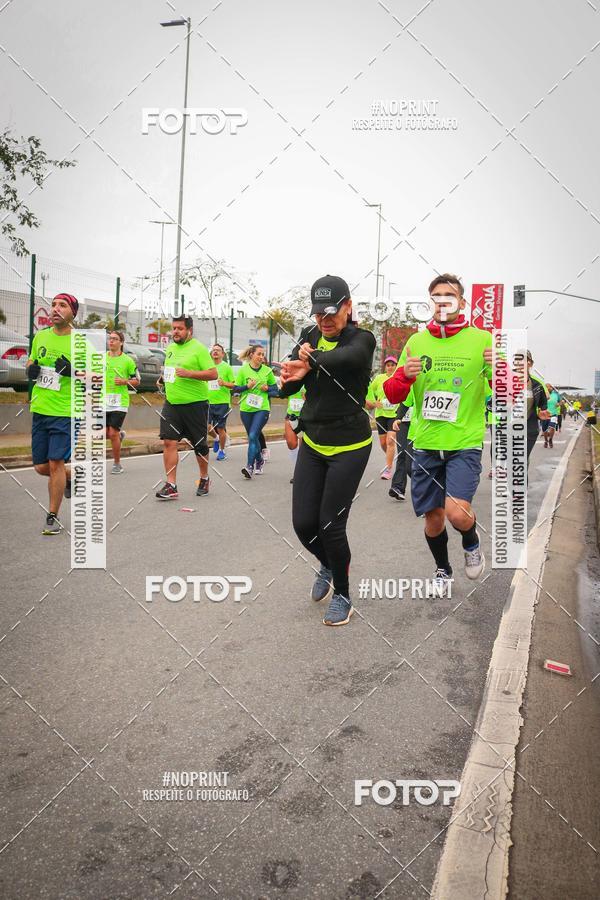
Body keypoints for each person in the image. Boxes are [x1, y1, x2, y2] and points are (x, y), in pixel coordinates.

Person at [383, 273, 491, 597]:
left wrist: (500, 370)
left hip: (464, 442)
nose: (443, 301)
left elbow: (506, 393)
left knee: (457, 513)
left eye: (450, 295)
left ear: (462, 302)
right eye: (437, 296)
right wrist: (403, 375)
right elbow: (393, 395)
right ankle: (443, 569)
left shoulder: (482, 340)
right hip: (426, 444)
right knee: (433, 519)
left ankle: (471, 541)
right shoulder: (417, 342)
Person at [280, 274, 376, 626]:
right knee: (304, 524)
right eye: (319, 314)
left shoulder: (362, 339)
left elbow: (348, 359)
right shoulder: (309, 337)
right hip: (314, 441)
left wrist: (310, 360)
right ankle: (328, 563)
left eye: (332, 312)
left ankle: (344, 594)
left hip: (350, 445)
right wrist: (288, 376)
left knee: (331, 525)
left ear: (349, 307)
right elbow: (292, 387)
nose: (325, 320)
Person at [26, 293, 79, 534]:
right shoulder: (41, 336)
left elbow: (95, 378)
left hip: (65, 411)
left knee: (55, 462)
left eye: (63, 305)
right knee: (40, 466)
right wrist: (31, 369)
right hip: (40, 408)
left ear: (72, 313)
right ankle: (73, 476)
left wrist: (73, 371)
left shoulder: (81, 343)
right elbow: (30, 362)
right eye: (54, 305)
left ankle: (53, 515)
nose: (56, 309)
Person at [155, 315, 217, 500]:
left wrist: (190, 373)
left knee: (199, 445)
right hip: (172, 404)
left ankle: (204, 478)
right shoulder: (171, 348)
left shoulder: (198, 349)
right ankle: (171, 485)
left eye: (179, 328)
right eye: (173, 328)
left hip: (195, 405)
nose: (175, 331)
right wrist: (164, 379)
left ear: (189, 330)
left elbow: (213, 374)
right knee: (169, 441)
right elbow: (171, 370)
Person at [233, 345, 278, 479]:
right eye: (259, 354)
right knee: (253, 438)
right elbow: (235, 389)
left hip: (262, 408)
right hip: (246, 409)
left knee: (253, 436)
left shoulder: (267, 371)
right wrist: (247, 387)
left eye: (263, 355)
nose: (261, 357)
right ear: (251, 355)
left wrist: (267, 389)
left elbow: (276, 391)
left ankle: (249, 466)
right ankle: (259, 460)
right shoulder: (243, 370)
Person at [104, 331, 140, 474]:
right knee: (104, 434)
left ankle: (117, 464)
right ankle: (119, 436)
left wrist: (125, 381)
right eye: (110, 339)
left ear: (121, 342)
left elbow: (137, 381)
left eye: (115, 339)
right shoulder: (101, 358)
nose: (111, 341)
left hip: (119, 402)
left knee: (112, 433)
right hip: (102, 400)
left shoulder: (128, 361)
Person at [366, 356, 399, 479]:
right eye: (388, 365)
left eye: (393, 365)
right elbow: (370, 390)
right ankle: (389, 457)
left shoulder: (398, 378)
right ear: (385, 367)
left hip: (394, 414)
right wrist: (374, 402)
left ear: (396, 366)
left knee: (390, 441)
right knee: (383, 443)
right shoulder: (379, 378)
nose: (390, 367)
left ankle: (388, 468)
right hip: (381, 414)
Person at [207, 343, 235, 461]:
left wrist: (224, 383)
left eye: (218, 350)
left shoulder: (227, 367)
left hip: (222, 403)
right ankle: (217, 439)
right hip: (207, 401)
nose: (215, 352)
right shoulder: (207, 366)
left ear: (222, 354)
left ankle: (222, 451)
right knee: (206, 427)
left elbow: (233, 385)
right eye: (213, 350)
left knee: (220, 428)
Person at [525, 352, 549, 468]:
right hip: (509, 429)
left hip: (530, 428)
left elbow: (543, 403)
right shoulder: (505, 382)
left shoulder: (537, 385)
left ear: (530, 363)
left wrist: (541, 413)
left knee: (521, 459)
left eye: (525, 359)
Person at [389, 389, 414, 500]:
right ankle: (398, 486)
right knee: (402, 452)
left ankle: (427, 487)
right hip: (403, 421)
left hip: (420, 422)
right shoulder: (401, 375)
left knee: (415, 456)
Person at [284, 386, 305, 484]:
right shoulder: (291, 380)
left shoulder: (310, 379)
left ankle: (299, 473)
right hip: (291, 415)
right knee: (291, 443)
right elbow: (281, 392)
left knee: (303, 447)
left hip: (305, 417)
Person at [544, 384, 561, 448]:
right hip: (545, 414)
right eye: (546, 387)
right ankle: (546, 441)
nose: (547, 388)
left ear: (551, 387)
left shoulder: (556, 394)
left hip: (553, 414)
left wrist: (558, 404)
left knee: (552, 427)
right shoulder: (543, 394)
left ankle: (550, 439)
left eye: (548, 387)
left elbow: (561, 401)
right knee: (545, 429)